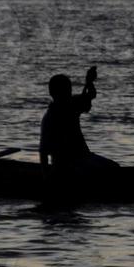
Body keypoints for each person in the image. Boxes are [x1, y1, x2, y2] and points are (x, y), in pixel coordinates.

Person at [40, 67, 118, 195]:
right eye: (65, 92)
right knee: (104, 173)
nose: (68, 94)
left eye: (69, 91)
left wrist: (89, 82)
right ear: (54, 94)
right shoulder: (50, 118)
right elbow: (43, 152)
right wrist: (47, 178)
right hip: (65, 166)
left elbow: (90, 96)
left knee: (113, 167)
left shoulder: (72, 105)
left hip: (84, 158)